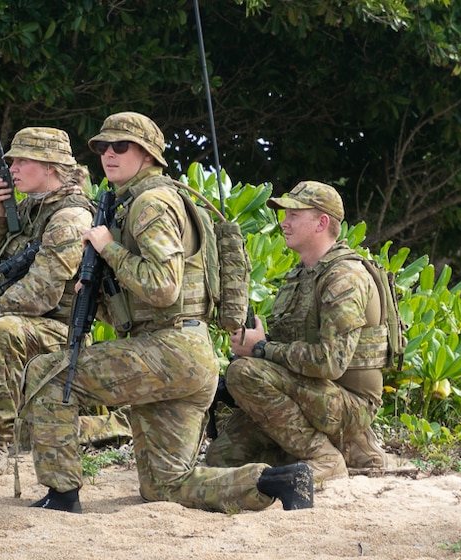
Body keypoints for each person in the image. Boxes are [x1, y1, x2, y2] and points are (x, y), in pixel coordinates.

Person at [22, 111, 313, 513]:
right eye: (103, 147)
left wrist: (108, 248)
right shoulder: (148, 200)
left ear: (148, 154)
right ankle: (276, 480)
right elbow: (142, 306)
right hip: (186, 356)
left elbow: (163, 286)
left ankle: (62, 495)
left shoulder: (150, 204)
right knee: (166, 486)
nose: (109, 154)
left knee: (47, 374)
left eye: (121, 146)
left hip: (169, 350)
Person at [0, 127, 130, 479]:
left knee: (0, 331)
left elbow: (40, 292)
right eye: (11, 161)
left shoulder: (70, 218)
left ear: (50, 167)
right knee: (35, 422)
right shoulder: (30, 209)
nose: (12, 168)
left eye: (23, 161)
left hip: (61, 329)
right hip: (35, 324)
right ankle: (84, 425)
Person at [204, 180, 390, 483]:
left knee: (246, 373)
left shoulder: (344, 277)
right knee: (221, 459)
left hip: (349, 403)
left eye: (294, 214)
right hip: (310, 395)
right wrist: (251, 344)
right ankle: (350, 448)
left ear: (322, 222)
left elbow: (330, 362)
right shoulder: (299, 275)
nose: (284, 222)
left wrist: (262, 349)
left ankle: (325, 457)